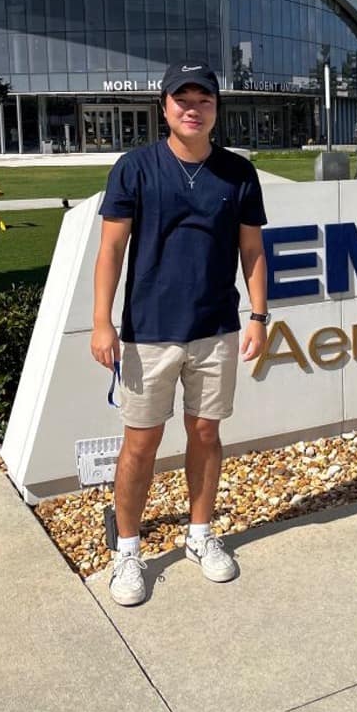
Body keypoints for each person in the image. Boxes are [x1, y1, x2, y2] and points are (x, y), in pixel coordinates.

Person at [90, 61, 269, 607]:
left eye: (204, 99)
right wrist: (102, 322)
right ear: (164, 107)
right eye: (182, 99)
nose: (193, 108)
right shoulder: (135, 168)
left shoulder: (238, 173)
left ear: (217, 108)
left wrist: (259, 316)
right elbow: (111, 250)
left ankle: (200, 535)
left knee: (207, 435)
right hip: (148, 333)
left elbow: (252, 250)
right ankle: (127, 549)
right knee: (140, 444)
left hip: (215, 329)